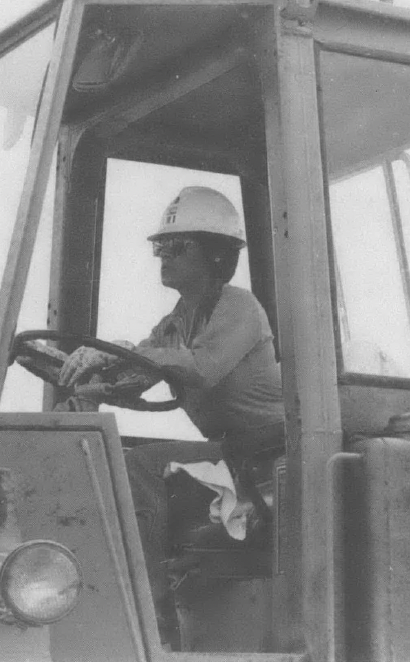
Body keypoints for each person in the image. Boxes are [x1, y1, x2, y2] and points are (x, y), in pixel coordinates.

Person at [58, 186, 284, 648]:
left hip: (272, 452)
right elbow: (138, 375)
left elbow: (199, 370)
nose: (164, 256)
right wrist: (83, 382)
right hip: (235, 454)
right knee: (115, 457)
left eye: (177, 247)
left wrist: (122, 352)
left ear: (216, 256)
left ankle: (152, 630)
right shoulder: (177, 320)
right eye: (161, 247)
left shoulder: (240, 307)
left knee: (141, 467)